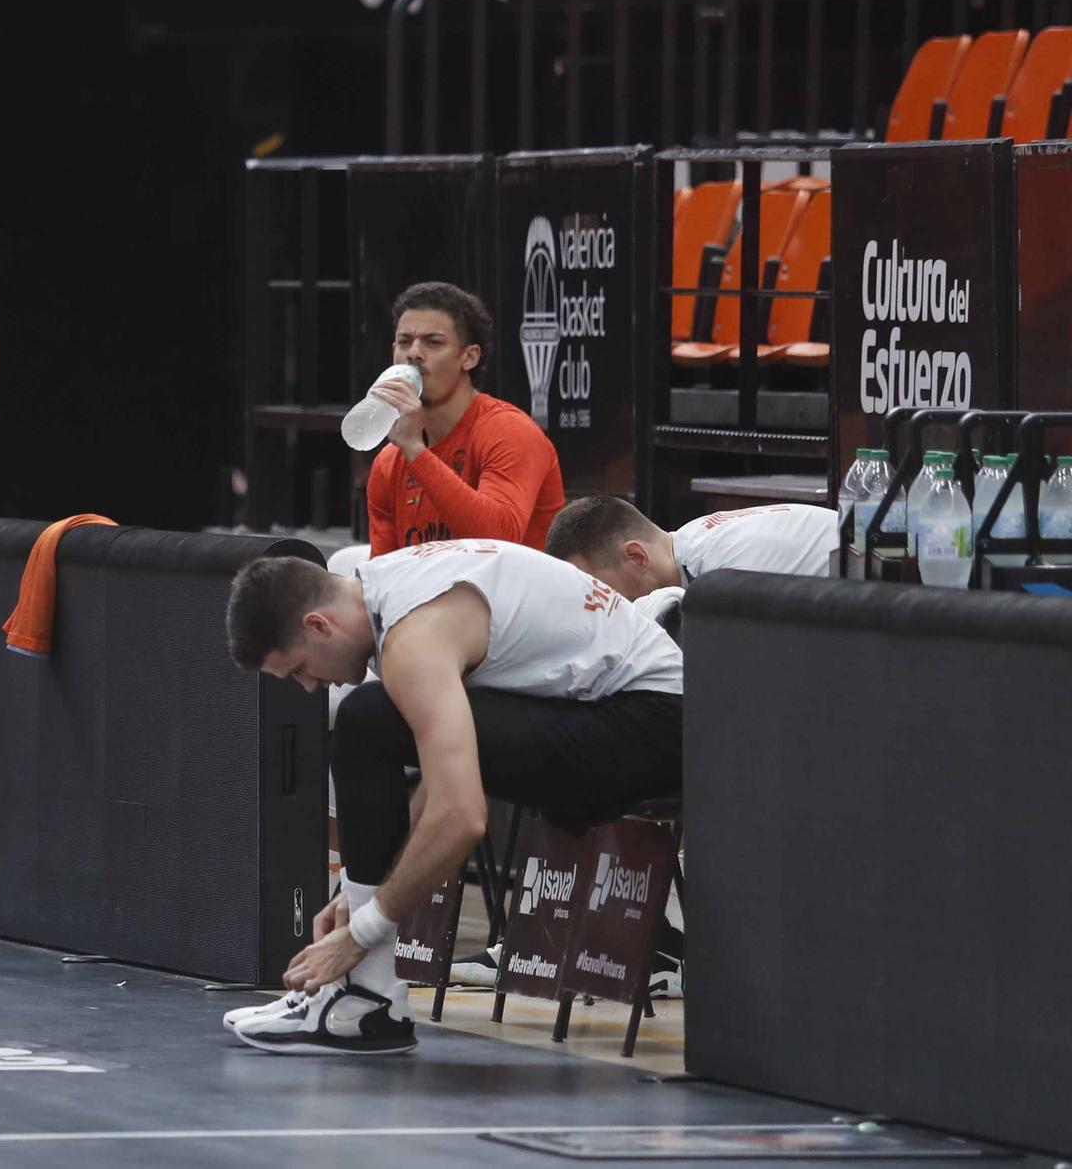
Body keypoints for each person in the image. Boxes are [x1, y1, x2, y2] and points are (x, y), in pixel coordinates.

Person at [220, 542, 682, 1054]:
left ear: (318, 626)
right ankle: (367, 999)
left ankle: (367, 998)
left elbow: (461, 816)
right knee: (371, 719)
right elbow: (439, 792)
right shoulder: (393, 589)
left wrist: (361, 933)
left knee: (363, 720)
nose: (310, 687)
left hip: (654, 729)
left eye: (299, 669)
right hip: (631, 715)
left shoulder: (414, 635)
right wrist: (354, 898)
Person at [364, 283, 565, 555]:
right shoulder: (389, 463)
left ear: (469, 357)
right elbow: (381, 573)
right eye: (404, 342)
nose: (413, 353)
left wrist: (414, 449)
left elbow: (497, 540)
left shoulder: (509, 431)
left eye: (433, 342)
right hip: (425, 595)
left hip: (510, 594)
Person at [544, 497, 839, 604]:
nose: (598, 603)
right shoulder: (693, 544)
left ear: (636, 557)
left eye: (598, 588)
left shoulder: (724, 569)